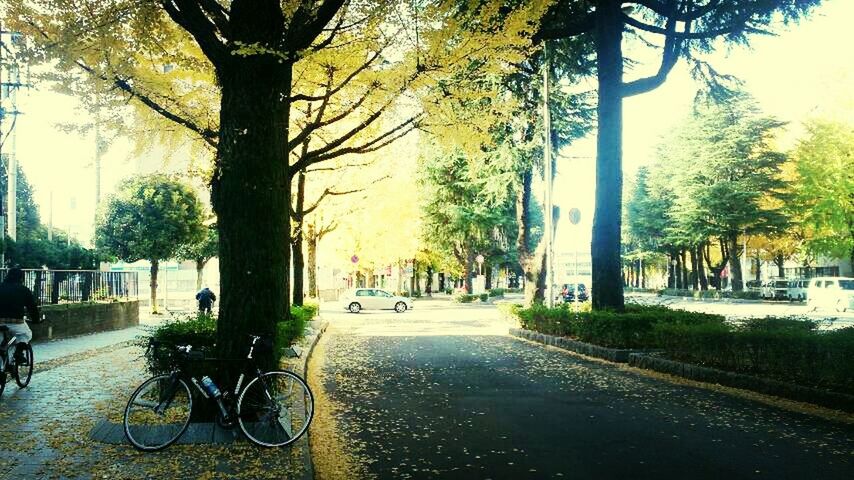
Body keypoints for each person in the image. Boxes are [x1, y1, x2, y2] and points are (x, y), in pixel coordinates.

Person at [0, 267, 41, 363]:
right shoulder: (24, 290)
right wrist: (36, 319)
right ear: (21, 278)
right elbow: (32, 307)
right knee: (25, 334)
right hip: (16, 322)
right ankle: (19, 352)